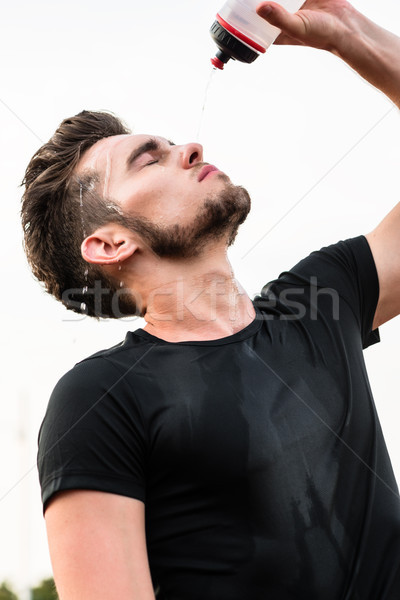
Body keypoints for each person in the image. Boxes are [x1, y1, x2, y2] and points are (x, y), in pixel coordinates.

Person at [23, 1, 400, 598]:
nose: (191, 149)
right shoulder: (100, 401)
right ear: (109, 241)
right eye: (151, 158)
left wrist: (348, 35)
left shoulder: (321, 300)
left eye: (174, 143)